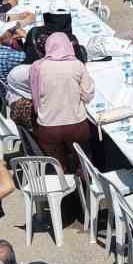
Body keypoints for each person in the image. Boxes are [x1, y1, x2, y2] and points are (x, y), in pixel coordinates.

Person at [28, 34, 95, 170]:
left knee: (59, 165)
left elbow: (35, 93)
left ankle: (66, 185)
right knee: (83, 162)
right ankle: (85, 184)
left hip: (48, 126)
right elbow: (88, 95)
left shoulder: (37, 66)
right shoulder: (77, 65)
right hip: (76, 125)